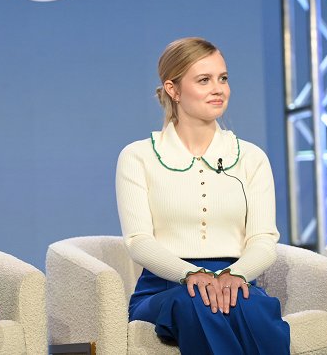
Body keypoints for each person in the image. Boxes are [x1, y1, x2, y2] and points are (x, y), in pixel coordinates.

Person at [115, 37, 290, 354]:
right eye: (204, 80)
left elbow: (264, 239)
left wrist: (233, 275)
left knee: (249, 306)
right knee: (199, 301)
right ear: (173, 89)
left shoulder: (251, 157)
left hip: (236, 281)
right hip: (164, 288)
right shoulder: (138, 156)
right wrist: (190, 274)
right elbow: (138, 240)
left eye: (223, 78)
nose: (218, 89)